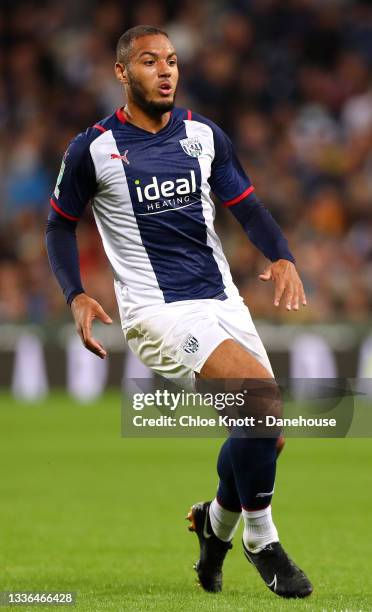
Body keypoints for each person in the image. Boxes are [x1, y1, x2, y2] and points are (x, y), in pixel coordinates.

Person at [46, 25, 312, 599]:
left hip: (221, 301)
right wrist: (76, 293)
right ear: (122, 73)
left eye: (171, 61)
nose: (165, 71)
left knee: (266, 435)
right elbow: (58, 225)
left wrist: (283, 256)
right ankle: (260, 539)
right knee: (260, 402)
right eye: (149, 62)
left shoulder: (203, 134)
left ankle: (214, 524)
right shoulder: (91, 148)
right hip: (154, 311)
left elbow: (246, 202)